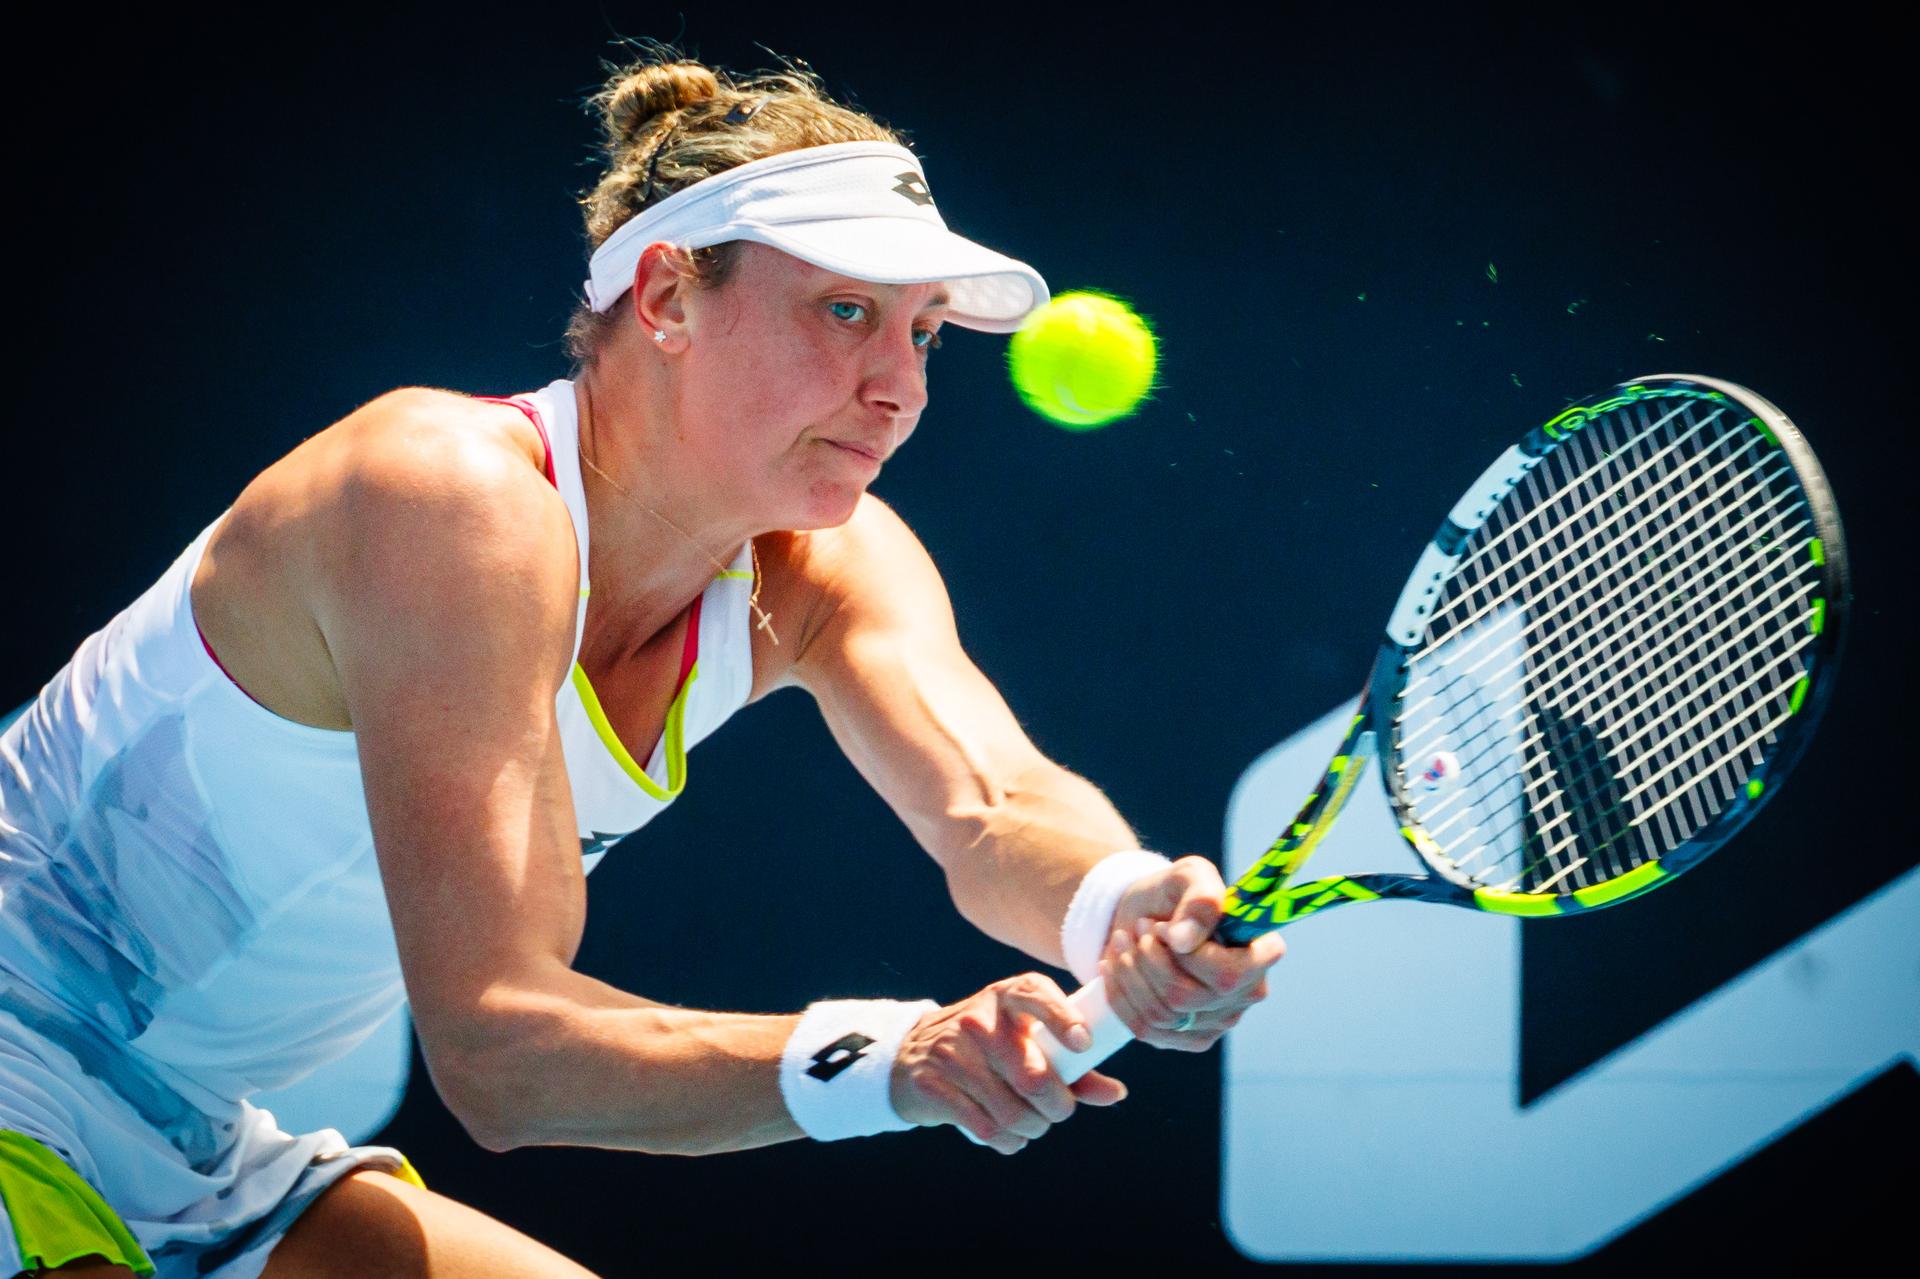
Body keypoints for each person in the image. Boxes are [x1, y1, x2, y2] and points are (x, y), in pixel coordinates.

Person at [0, 48, 1286, 1279]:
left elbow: (996, 806)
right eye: (846, 312)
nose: (900, 388)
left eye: (924, 333)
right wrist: (900, 1054)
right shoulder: (442, 495)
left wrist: (1123, 906)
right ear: (668, 297)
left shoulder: (822, 569)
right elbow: (501, 1049)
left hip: (194, 1142)